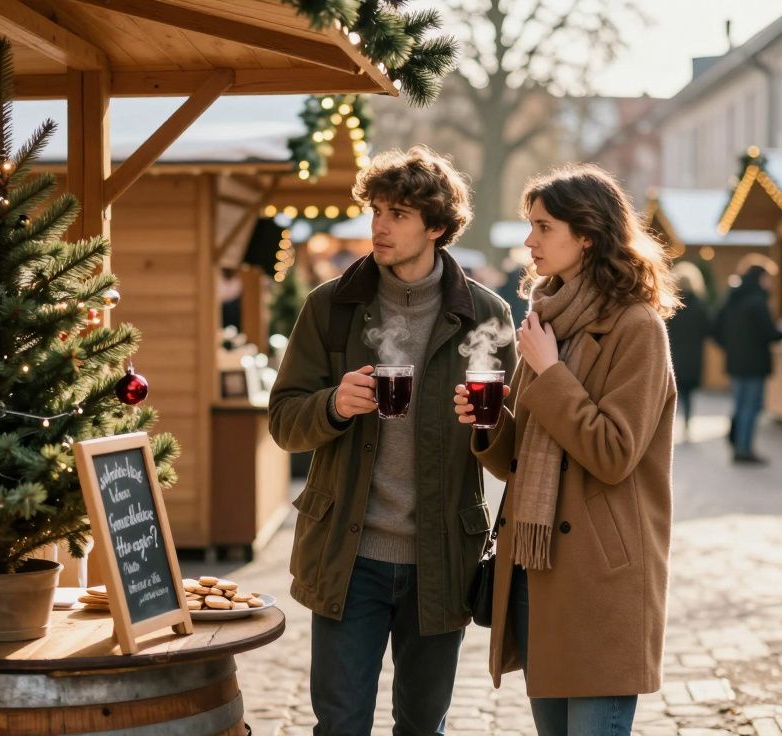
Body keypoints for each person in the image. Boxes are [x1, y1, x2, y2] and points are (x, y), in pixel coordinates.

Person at [268, 145, 515, 735]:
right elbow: (282, 420)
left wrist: (490, 427)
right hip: (348, 559)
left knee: (422, 726)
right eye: (376, 209)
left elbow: (513, 454)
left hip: (442, 558)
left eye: (398, 213)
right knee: (341, 724)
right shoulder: (331, 308)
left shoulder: (487, 316)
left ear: (436, 226)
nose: (379, 225)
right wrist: (332, 405)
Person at [453, 164, 676, 736]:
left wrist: (549, 374)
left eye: (543, 227)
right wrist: (490, 423)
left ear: (587, 234)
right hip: (537, 569)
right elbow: (520, 461)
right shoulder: (548, 321)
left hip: (600, 579)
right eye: (531, 226)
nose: (529, 242)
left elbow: (612, 453)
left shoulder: (637, 328)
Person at [713, 264, 782, 464]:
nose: (770, 284)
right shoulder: (758, 302)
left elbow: (715, 327)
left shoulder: (732, 298)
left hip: (735, 361)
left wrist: (729, 347)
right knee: (751, 407)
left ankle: (737, 444)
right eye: (768, 279)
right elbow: (769, 333)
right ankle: (744, 449)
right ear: (761, 278)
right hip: (754, 362)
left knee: (739, 404)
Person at [666, 261, 712, 437]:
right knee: (688, 394)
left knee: (672, 391)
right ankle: (687, 423)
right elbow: (708, 329)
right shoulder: (699, 306)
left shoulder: (670, 305)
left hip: (673, 355)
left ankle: (671, 425)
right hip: (693, 356)